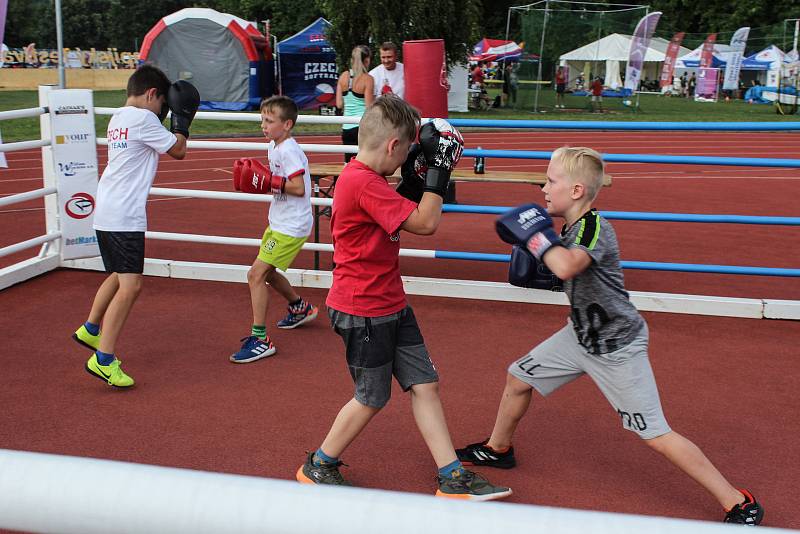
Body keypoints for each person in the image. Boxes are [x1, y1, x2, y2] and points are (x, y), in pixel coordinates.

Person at [456, 146, 765, 526]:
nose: (543, 189)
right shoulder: (568, 228)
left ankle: (737, 501)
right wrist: (540, 255)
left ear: (576, 191)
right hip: (580, 336)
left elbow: (568, 267)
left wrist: (535, 239)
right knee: (519, 376)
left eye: (551, 181)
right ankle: (498, 448)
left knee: (654, 433)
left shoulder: (593, 228)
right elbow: (565, 274)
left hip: (617, 347)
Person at [295, 95, 511, 501]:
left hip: (389, 301)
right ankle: (320, 464)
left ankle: (452, 476)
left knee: (425, 384)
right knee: (371, 398)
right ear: (393, 146)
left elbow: (401, 205)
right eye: (407, 149)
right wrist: (440, 170)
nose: (409, 155)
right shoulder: (361, 181)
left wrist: (413, 180)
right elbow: (425, 223)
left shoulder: (371, 180)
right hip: (363, 309)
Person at [72, 65, 198, 387]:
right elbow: (179, 151)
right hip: (125, 216)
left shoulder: (118, 117)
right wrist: (182, 120)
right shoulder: (143, 119)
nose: (162, 113)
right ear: (151, 94)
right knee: (132, 286)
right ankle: (103, 359)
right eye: (162, 107)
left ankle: (91, 328)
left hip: (106, 212)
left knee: (117, 276)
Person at [228, 96, 317, 363]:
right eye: (262, 120)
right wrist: (265, 179)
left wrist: (268, 181)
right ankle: (299, 307)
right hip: (280, 221)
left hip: (291, 225)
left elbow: (298, 187)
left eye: (270, 121)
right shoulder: (274, 145)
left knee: (255, 274)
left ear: (287, 124)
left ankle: (260, 339)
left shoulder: (289, 149)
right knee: (267, 272)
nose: (264, 125)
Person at [337, 45, 375, 163]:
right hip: (362, 127)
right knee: (365, 162)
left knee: (349, 162)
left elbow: (339, 104)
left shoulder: (343, 76)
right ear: (367, 60)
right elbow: (369, 107)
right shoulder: (368, 79)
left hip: (346, 128)